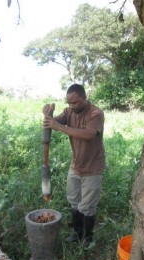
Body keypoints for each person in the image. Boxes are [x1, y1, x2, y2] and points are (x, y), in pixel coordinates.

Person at [43, 84, 105, 248]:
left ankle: (87, 237)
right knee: (74, 201)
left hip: (92, 168)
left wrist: (60, 127)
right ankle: (77, 233)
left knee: (87, 206)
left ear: (85, 98)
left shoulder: (95, 113)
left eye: (75, 103)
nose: (71, 106)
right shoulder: (69, 111)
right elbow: (53, 123)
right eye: (69, 103)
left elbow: (89, 134)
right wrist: (48, 115)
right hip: (76, 166)